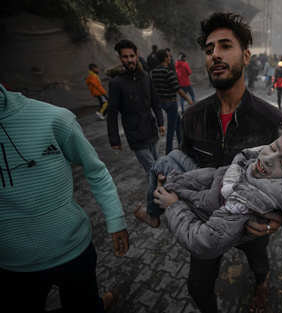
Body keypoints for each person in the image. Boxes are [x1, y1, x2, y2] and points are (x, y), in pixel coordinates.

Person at [134, 12, 282, 313]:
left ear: (246, 55)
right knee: (197, 286)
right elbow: (186, 162)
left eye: (225, 46)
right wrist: (171, 191)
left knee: (258, 263)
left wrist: (280, 217)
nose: (215, 54)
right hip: (206, 217)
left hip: (250, 219)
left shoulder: (273, 122)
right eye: (208, 49)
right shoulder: (192, 117)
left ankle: (261, 284)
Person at [0, 84, 129, 312]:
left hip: (72, 250)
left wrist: (116, 219)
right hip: (10, 264)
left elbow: (96, 170)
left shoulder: (53, 118)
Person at [150, 120, 282, 262]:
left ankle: (152, 213)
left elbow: (203, 243)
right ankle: (154, 209)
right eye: (273, 147)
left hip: (210, 216)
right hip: (208, 186)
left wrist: (173, 206)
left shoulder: (268, 115)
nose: (267, 158)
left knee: (161, 166)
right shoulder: (196, 113)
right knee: (172, 159)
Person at [105, 39, 166, 177]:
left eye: (132, 56)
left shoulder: (145, 76)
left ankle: (157, 197)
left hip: (151, 130)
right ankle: (156, 198)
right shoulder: (116, 83)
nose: (130, 60)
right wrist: (114, 140)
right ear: (120, 58)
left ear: (137, 56)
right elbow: (112, 113)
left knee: (157, 166)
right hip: (135, 134)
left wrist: (160, 122)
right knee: (152, 171)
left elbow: (155, 101)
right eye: (125, 57)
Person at [152, 49, 193, 155]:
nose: (170, 58)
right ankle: (168, 151)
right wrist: (188, 99)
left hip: (162, 102)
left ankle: (181, 143)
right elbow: (177, 88)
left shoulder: (154, 72)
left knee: (178, 122)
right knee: (171, 127)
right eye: (169, 56)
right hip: (171, 102)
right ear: (165, 58)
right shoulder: (168, 72)